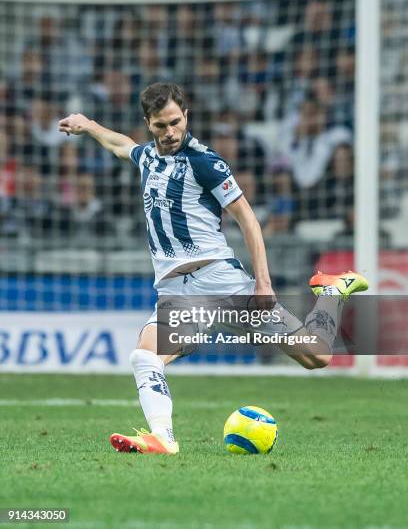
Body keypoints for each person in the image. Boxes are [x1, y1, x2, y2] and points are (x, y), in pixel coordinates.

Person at [59, 82, 369, 455]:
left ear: (186, 116)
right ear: (149, 124)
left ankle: (332, 292)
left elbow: (248, 220)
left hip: (221, 282)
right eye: (160, 126)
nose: (170, 132)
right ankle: (163, 438)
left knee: (317, 356)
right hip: (176, 293)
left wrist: (264, 285)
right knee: (144, 356)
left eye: (175, 122)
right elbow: (119, 144)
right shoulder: (148, 158)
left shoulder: (204, 162)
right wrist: (87, 124)